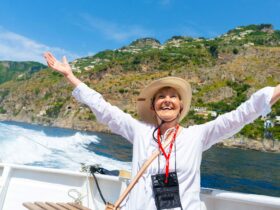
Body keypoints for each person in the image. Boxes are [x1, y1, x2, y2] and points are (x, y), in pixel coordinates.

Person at [44, 52, 280, 210]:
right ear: (152, 106)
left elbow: (240, 115)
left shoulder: (197, 135)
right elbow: (103, 108)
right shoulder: (140, 132)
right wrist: (71, 76)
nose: (167, 101)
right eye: (161, 97)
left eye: (173, 97)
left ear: (181, 105)